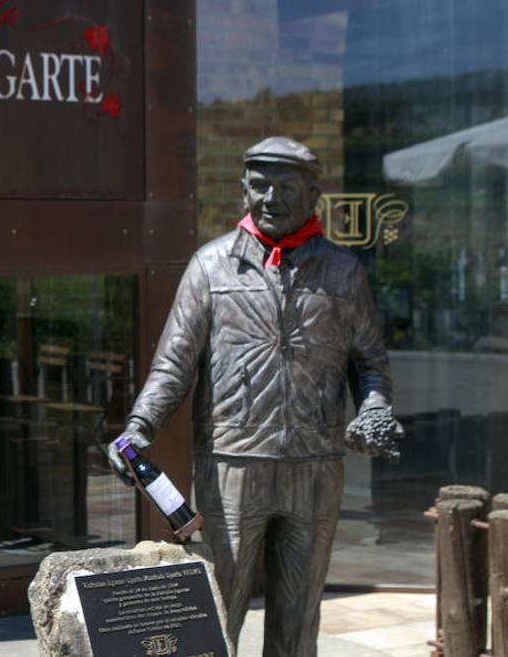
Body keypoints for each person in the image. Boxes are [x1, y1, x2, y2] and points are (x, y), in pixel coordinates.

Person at [108, 136, 403, 657]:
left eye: (285, 186)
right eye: (260, 185)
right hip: (232, 467)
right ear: (243, 189)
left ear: (313, 194)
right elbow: (173, 364)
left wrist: (375, 407)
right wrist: (139, 426)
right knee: (220, 611)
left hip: (315, 469)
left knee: (299, 616)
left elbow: (372, 367)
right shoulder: (210, 266)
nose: (271, 197)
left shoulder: (344, 272)